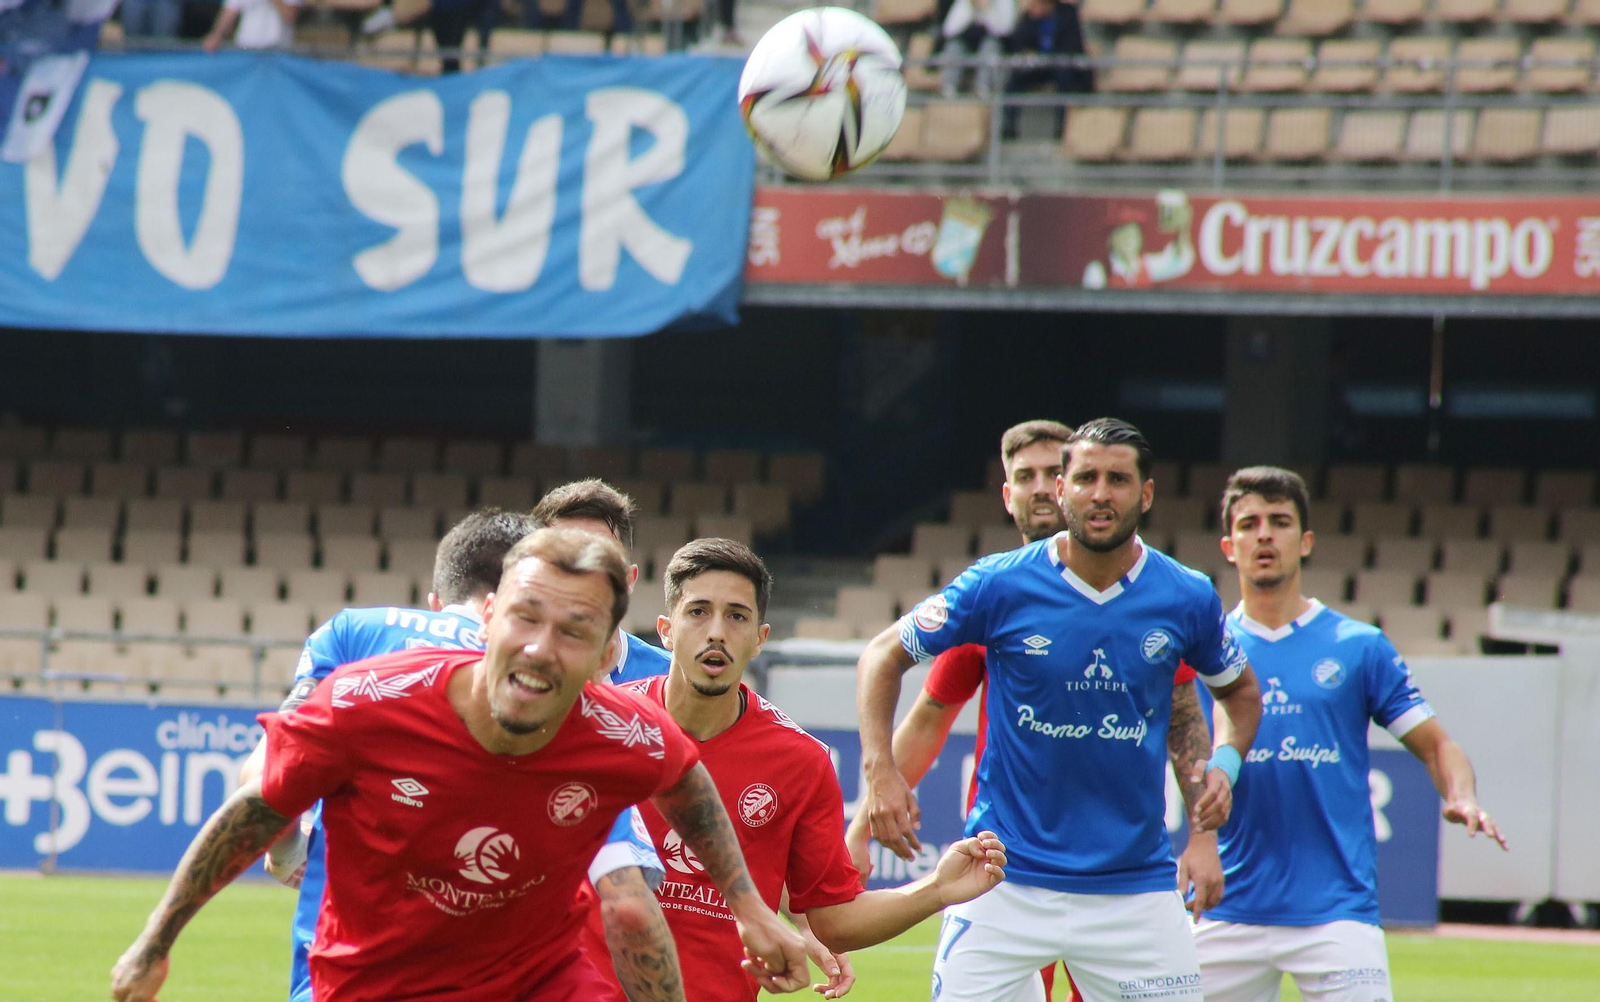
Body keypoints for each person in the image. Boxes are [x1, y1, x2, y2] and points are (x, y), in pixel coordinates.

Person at [111, 528, 811, 1002]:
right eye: (525, 616)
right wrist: (153, 942)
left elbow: (685, 778)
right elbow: (254, 810)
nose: (540, 648)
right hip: (373, 987)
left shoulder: (621, 731)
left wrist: (749, 906)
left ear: (606, 658)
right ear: (485, 619)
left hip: (539, 984)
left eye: (575, 630)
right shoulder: (365, 703)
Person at [858, 417, 1264, 1002]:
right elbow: (881, 657)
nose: (1101, 493)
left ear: (1145, 493)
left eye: (1119, 479)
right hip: (998, 878)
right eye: (1087, 478)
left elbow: (1241, 694)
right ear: (1062, 490)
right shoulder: (998, 586)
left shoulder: (1187, 596)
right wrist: (880, 772)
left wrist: (1226, 760)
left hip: (1135, 892)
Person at [235, 509, 677, 1002]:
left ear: (435, 601)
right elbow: (629, 903)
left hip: (341, 980)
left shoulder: (356, 634)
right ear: (498, 602)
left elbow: (264, 778)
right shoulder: (560, 693)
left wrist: (287, 853)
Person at [583, 538, 1011, 1002]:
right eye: (698, 611)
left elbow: (833, 920)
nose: (716, 633)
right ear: (666, 630)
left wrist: (936, 889)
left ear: (759, 639)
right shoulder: (602, 723)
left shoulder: (800, 760)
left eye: (737, 616)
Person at [1195, 466, 1509, 1002]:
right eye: (1249, 524)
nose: (1264, 534)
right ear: (1229, 545)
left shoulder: (1359, 646)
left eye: (1280, 521)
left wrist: (1462, 795)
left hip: (1336, 912)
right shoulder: (1203, 650)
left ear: (1307, 540)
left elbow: (1436, 745)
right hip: (1226, 905)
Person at [530, 478, 672, 685]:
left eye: (599, 559)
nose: (579, 578)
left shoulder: (672, 679)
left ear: (627, 580)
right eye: (562, 559)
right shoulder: (503, 673)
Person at [1002, 0, 1091, 137]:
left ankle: (1061, 128)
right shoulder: (1029, 18)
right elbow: (1018, 43)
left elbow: (1073, 46)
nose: (1033, 8)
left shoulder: (1067, 14)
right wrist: (1029, 53)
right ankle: (1009, 126)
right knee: (1015, 80)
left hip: (1063, 66)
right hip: (1039, 67)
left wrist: (1051, 57)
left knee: (1064, 79)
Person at [202, 0, 300, 51]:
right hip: (247, 50)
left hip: (276, 52)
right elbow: (230, 11)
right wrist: (216, 35)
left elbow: (289, 16)